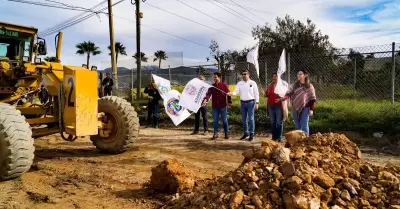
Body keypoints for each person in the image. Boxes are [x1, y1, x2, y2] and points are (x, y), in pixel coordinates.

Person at [280, 70, 316, 136]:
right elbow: (288, 93)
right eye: (298, 74)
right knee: (297, 125)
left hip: (306, 107)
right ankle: (299, 139)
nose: (298, 75)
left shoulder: (309, 86)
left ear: (305, 76)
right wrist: (283, 98)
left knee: (304, 124)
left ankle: (306, 139)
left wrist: (311, 109)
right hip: (295, 107)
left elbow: (312, 99)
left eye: (300, 74)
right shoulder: (294, 85)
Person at [229, 69, 259, 141]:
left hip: (251, 102)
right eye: (243, 74)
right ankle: (246, 133)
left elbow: (256, 93)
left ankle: (251, 133)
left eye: (245, 74)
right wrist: (231, 94)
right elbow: (236, 92)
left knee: (251, 119)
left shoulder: (253, 83)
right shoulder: (240, 83)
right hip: (242, 103)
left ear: (249, 75)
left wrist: (257, 103)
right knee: (244, 119)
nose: (244, 75)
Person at [202, 72, 231, 140]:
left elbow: (228, 94)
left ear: (219, 77)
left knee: (224, 120)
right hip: (215, 107)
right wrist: (205, 100)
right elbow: (208, 95)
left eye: (215, 77)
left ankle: (226, 134)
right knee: (215, 121)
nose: (214, 78)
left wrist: (229, 103)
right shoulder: (212, 86)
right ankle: (215, 134)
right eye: (214, 77)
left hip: (223, 106)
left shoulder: (224, 85)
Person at [265, 73, 285, 142]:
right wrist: (265, 94)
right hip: (270, 105)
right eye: (273, 76)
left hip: (279, 105)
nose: (274, 78)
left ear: (279, 77)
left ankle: (279, 137)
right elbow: (267, 94)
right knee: (273, 122)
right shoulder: (270, 85)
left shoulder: (282, 85)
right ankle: (274, 137)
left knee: (279, 122)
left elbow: (284, 95)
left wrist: (280, 99)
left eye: (276, 76)